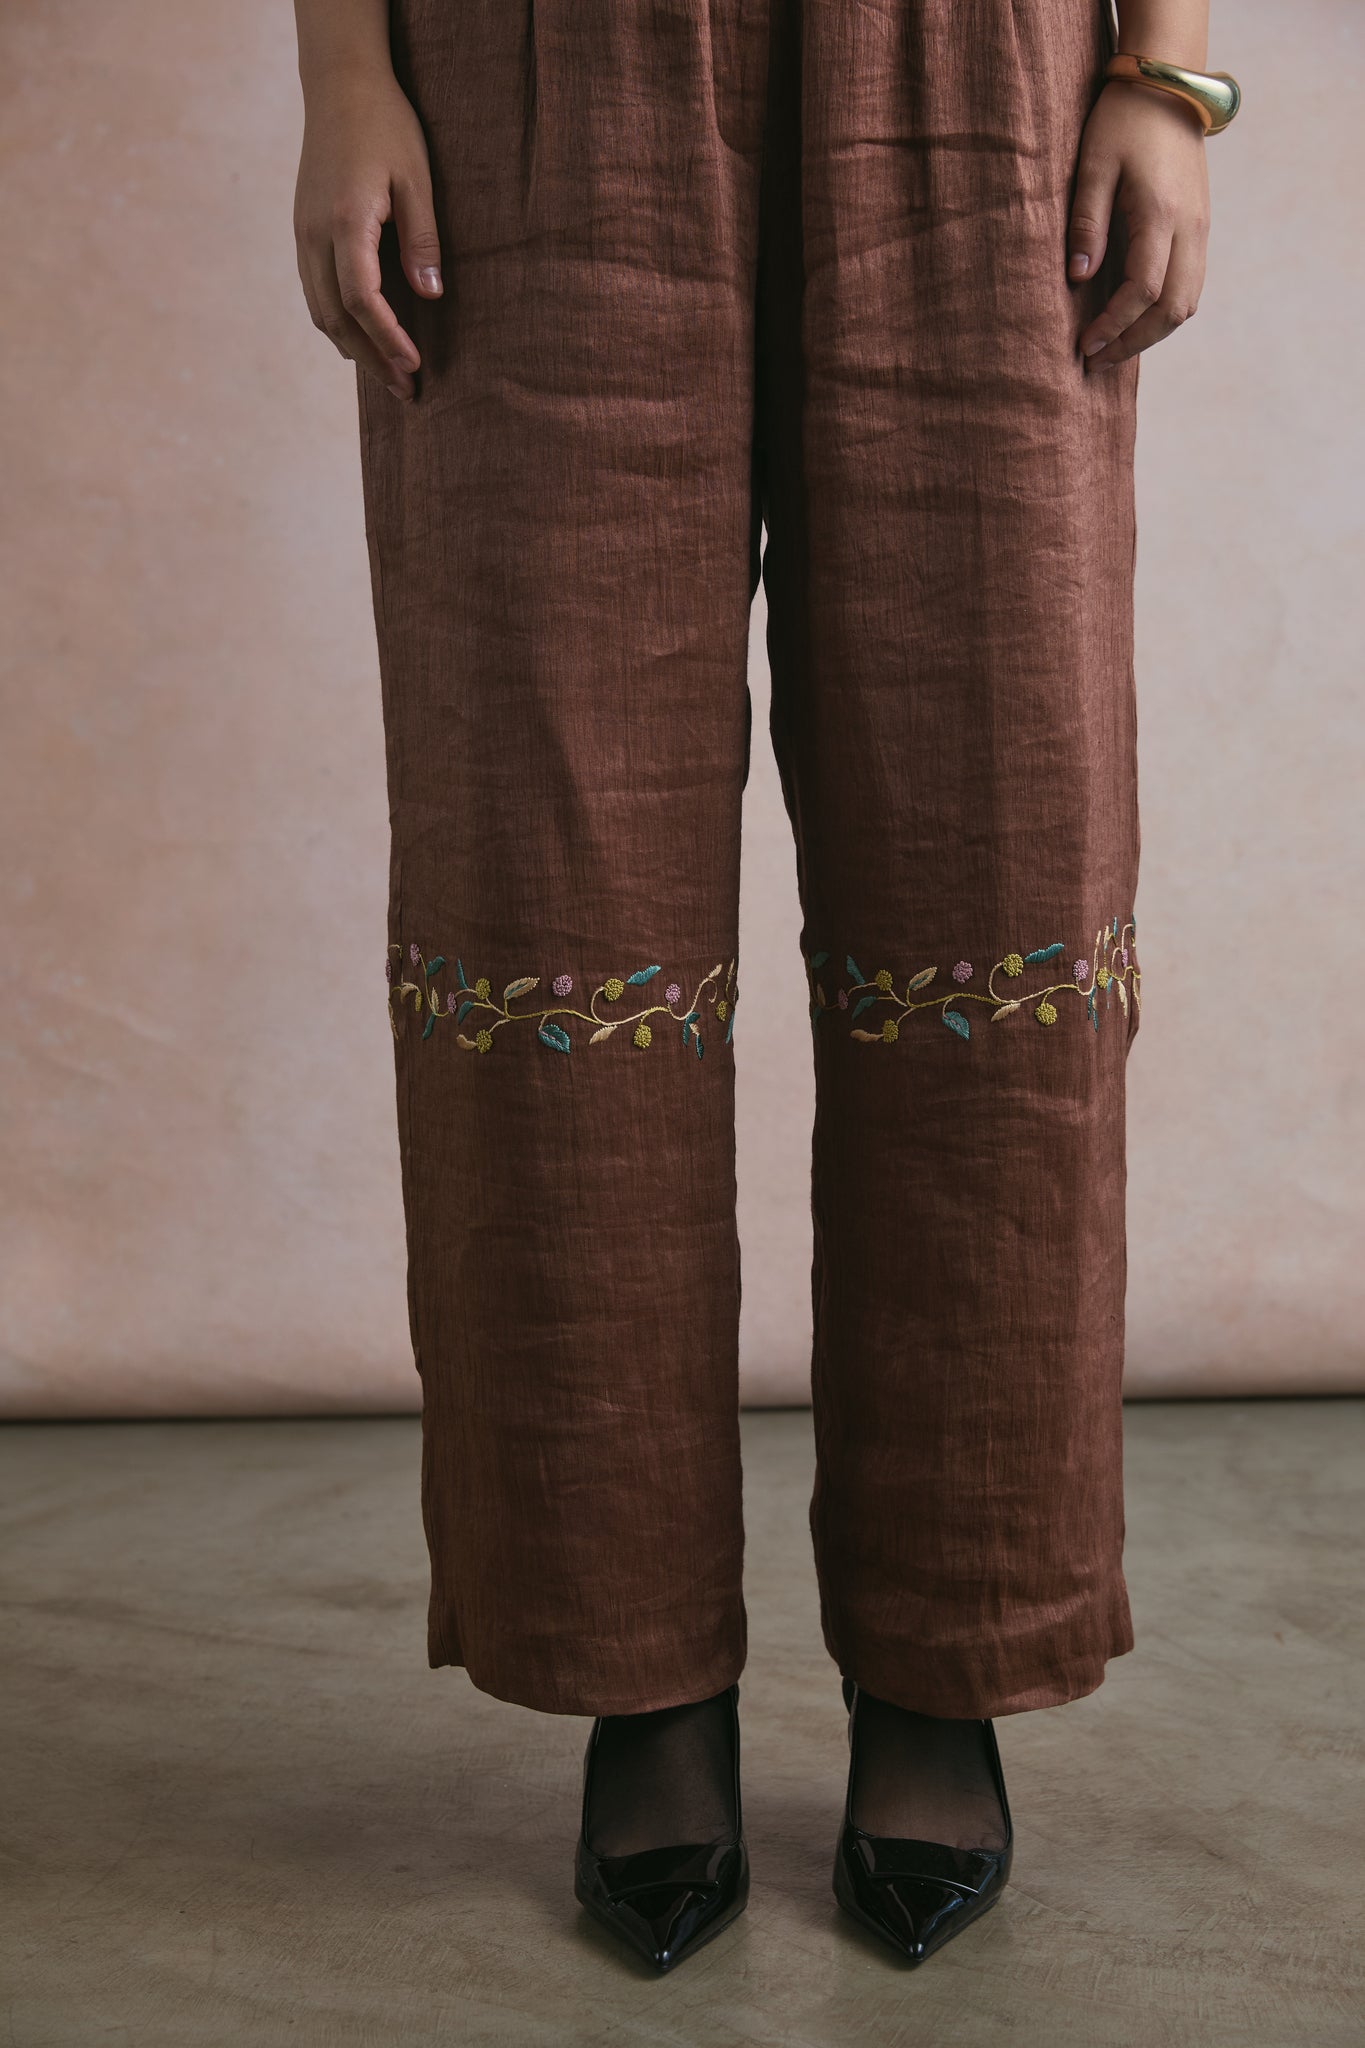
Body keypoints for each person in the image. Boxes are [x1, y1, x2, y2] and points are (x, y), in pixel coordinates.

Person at [292, 0, 1236, 1976]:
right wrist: (341, 74)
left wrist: (1163, 72)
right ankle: (635, 1670)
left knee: (991, 853)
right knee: (553, 893)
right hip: (530, 77)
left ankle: (945, 1658)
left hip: (980, 72)